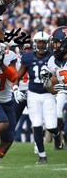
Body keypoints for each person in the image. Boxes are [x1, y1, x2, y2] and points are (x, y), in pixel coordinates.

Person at [13, 31, 62, 164]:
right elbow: (17, 76)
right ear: (35, 43)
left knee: (51, 126)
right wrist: (16, 89)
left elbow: (60, 76)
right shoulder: (27, 57)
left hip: (48, 94)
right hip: (33, 94)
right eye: (39, 42)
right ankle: (42, 156)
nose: (41, 45)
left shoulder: (53, 57)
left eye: (43, 42)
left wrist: (51, 80)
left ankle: (58, 135)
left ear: (48, 44)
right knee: (37, 124)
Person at [40, 26, 67, 148]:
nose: (54, 46)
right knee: (56, 116)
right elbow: (52, 90)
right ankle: (61, 136)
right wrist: (46, 81)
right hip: (63, 92)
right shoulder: (52, 61)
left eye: (56, 43)